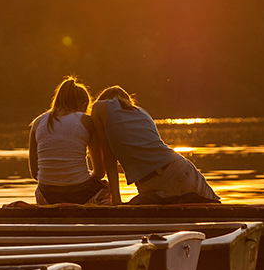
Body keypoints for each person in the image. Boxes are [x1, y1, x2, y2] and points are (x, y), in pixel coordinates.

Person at [90, 85, 220, 205]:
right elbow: (146, 158)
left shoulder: (99, 108)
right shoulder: (141, 112)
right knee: (220, 214)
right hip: (183, 169)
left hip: (158, 183)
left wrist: (116, 200)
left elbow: (109, 158)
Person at [28, 76, 109, 205]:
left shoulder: (37, 123)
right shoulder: (86, 121)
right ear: (82, 104)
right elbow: (99, 172)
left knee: (40, 190)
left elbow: (35, 173)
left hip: (47, 194)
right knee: (106, 188)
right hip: (81, 193)